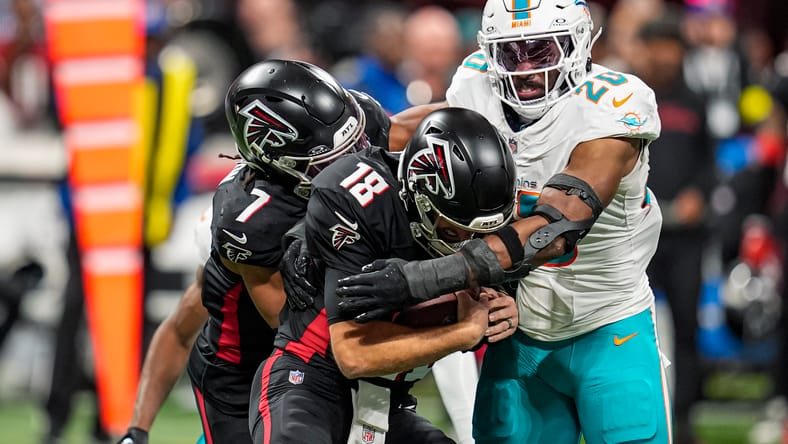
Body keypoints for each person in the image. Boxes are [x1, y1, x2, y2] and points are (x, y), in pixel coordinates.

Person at [336, 1, 672, 443]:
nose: (524, 69)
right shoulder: (476, 84)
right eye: (510, 53)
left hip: (609, 324)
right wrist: (333, 140)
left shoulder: (613, 105)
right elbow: (406, 135)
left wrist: (422, 278)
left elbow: (557, 225)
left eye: (540, 51)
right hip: (517, 329)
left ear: (577, 46)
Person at [116, 60, 390, 444]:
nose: (356, 164)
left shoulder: (356, 125)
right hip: (246, 377)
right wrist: (137, 431)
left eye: (356, 143)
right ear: (282, 162)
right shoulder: (253, 224)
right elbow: (187, 329)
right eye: (333, 158)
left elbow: (409, 140)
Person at [249, 107, 520, 444]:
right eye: (454, 230)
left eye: (480, 235)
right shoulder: (358, 197)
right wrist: (463, 331)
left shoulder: (485, 211)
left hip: (388, 407)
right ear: (420, 195)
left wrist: (508, 309)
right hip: (310, 382)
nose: (468, 246)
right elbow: (353, 354)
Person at [637, 12, 715, 444]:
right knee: (629, 324)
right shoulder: (627, 98)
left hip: (685, 237)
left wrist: (698, 196)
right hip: (637, 237)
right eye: (656, 46)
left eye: (671, 47)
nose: (664, 56)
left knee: (686, 327)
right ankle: (643, 408)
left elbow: (710, 164)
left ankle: (684, 417)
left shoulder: (695, 101)